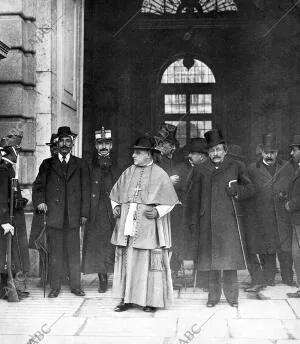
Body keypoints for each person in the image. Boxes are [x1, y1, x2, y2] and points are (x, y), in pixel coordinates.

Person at [110, 136, 179, 312]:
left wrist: (158, 211)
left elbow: (170, 201)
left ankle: (151, 301)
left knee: (149, 263)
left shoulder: (160, 174)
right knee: (128, 260)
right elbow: (115, 193)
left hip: (149, 226)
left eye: (138, 152)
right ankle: (126, 299)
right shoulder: (128, 172)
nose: (133, 155)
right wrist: (117, 206)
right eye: (134, 152)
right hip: (128, 225)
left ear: (148, 154)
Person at [191, 129, 254, 307]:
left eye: (218, 150)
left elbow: (250, 189)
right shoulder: (201, 169)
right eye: (211, 151)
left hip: (229, 220)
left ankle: (232, 297)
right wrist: (195, 220)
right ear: (208, 153)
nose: (215, 154)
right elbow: (194, 197)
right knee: (212, 261)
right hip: (208, 221)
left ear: (225, 150)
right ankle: (213, 297)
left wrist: (237, 192)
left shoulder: (236, 166)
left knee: (229, 260)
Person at [32, 126, 90, 298]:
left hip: (73, 217)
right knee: (55, 252)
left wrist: (84, 213)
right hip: (54, 217)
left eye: (68, 141)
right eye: (61, 140)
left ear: (72, 144)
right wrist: (40, 201)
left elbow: (86, 191)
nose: (64, 144)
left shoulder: (80, 164)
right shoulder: (47, 164)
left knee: (73, 252)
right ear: (56, 143)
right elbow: (38, 187)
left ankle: (76, 286)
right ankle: (54, 287)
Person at [244, 133, 294, 292]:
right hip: (263, 215)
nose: (269, 155)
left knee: (285, 248)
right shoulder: (253, 168)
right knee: (268, 248)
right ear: (261, 152)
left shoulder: (287, 167)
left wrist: (286, 195)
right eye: (266, 152)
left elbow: (293, 188)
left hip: (282, 214)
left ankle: (288, 277)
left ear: (277, 152)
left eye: (272, 152)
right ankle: (269, 278)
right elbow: (248, 190)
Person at [82, 127, 119, 292]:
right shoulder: (88, 165)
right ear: (96, 146)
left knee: (113, 245)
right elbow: (82, 189)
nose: (103, 146)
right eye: (100, 143)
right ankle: (102, 278)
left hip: (113, 210)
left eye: (106, 143)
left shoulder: (119, 164)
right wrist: (84, 212)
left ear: (111, 145)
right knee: (97, 245)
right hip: (95, 211)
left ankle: (116, 278)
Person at [0, 133, 30, 300]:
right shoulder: (4, 170)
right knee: (7, 255)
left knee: (14, 254)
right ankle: (8, 290)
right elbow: (1, 198)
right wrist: (4, 221)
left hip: (15, 216)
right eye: (17, 149)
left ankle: (13, 289)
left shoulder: (9, 168)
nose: (18, 152)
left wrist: (19, 200)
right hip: (8, 219)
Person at [286, 135, 300, 298]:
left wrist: (292, 204)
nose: (291, 153)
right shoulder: (297, 168)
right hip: (296, 220)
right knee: (296, 253)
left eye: (295, 150)